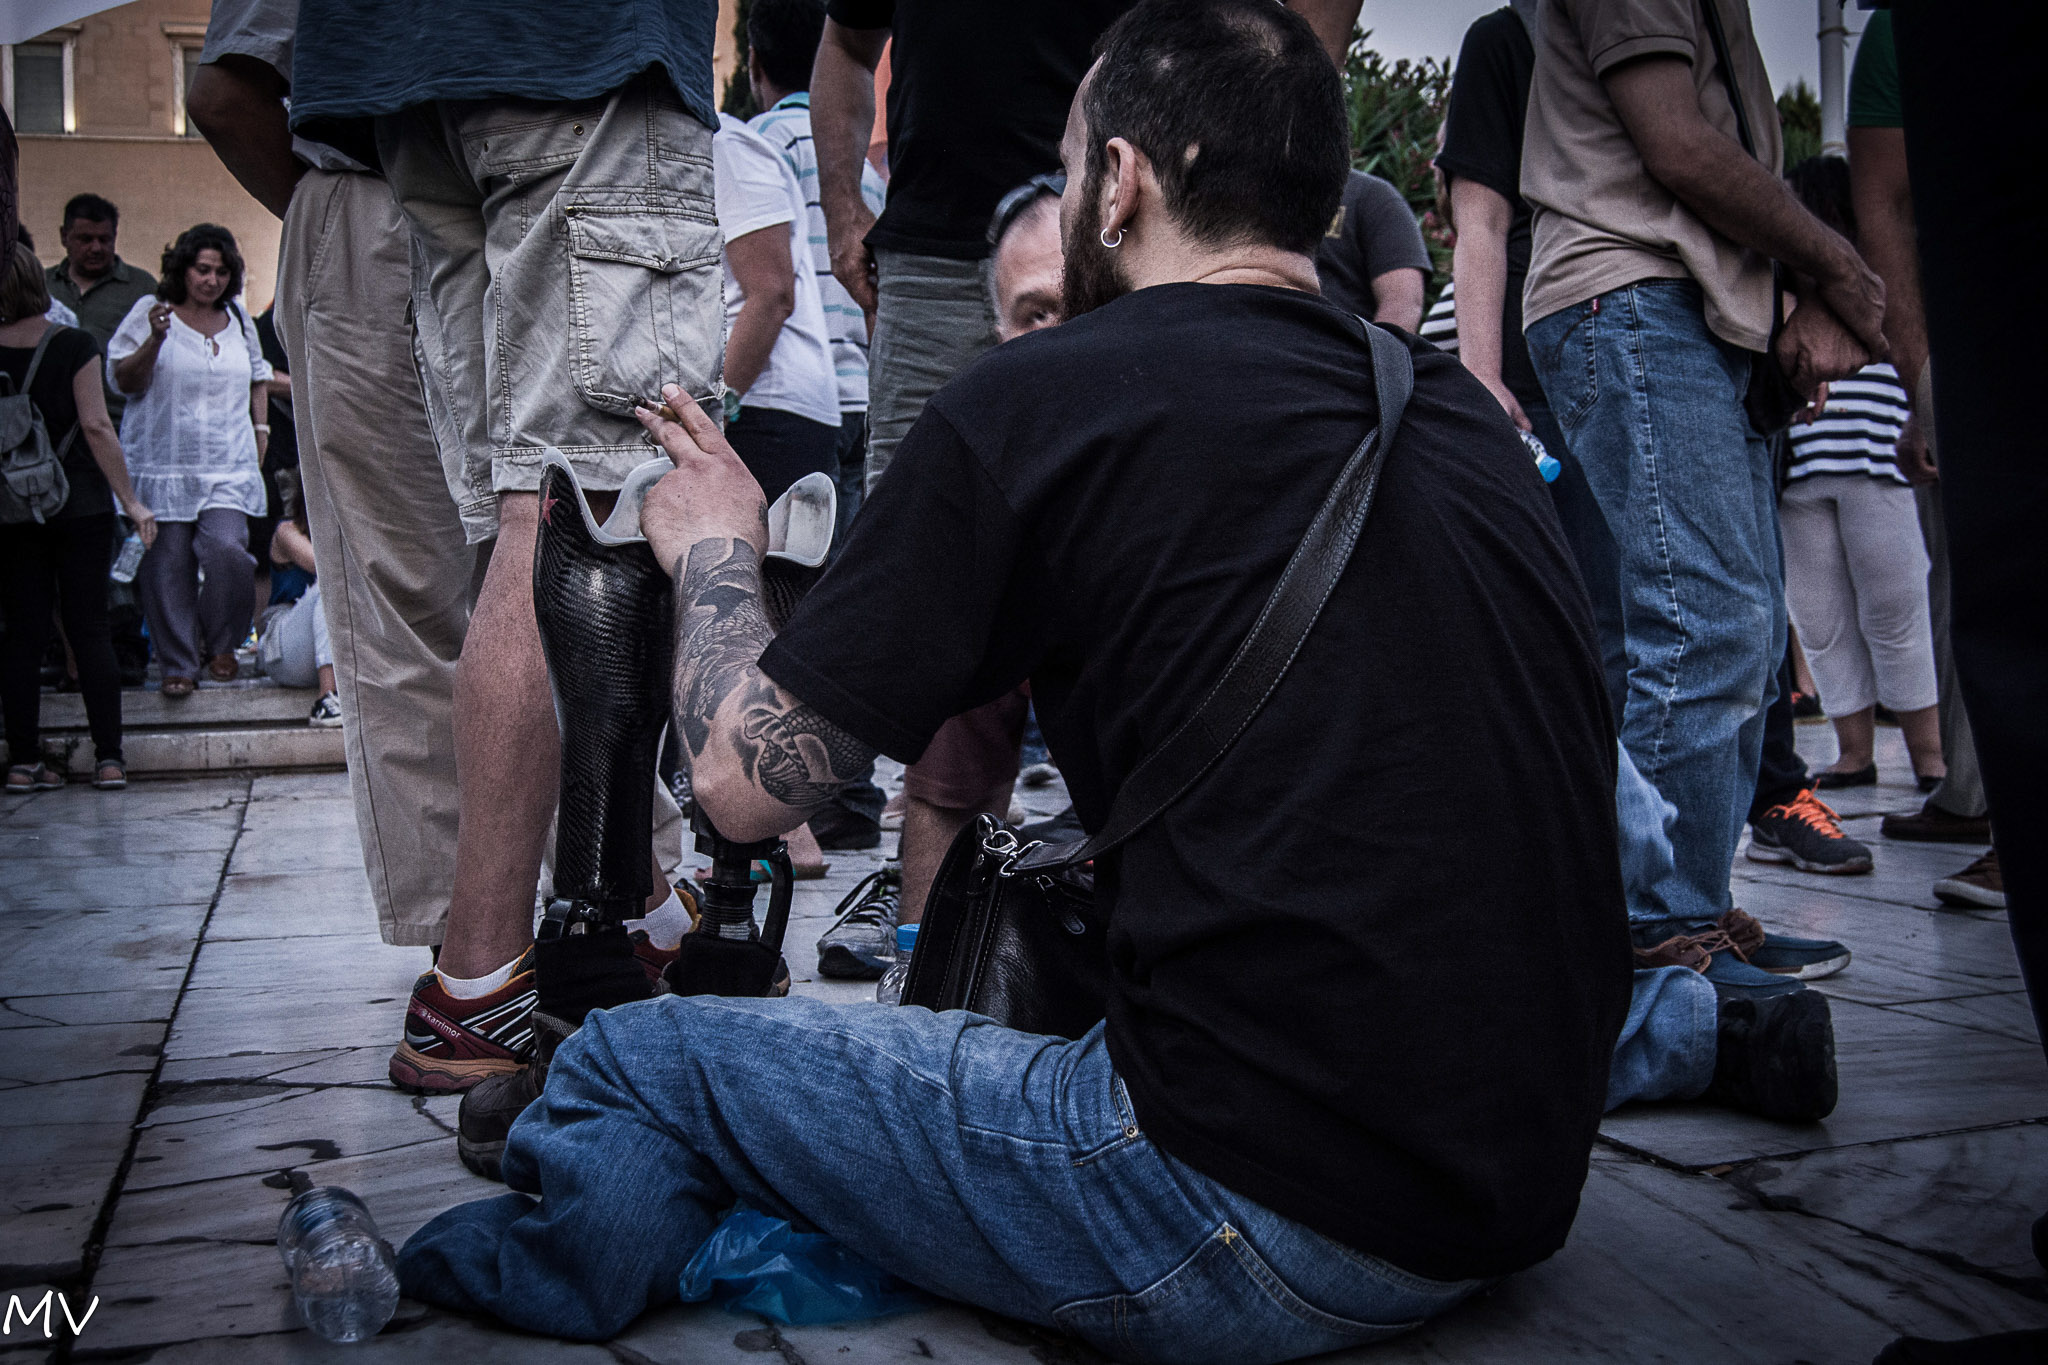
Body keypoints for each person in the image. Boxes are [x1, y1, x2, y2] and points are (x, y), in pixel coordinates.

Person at [398, 5, 1638, 1347]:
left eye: (1069, 160)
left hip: (1240, 1214)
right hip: (1516, 1194)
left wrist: (716, 550)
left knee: (630, 1059)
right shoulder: (1458, 416)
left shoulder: (1046, 398)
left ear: (1121, 184)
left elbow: (744, 789)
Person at [277, 0, 722, 1091]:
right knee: (578, 521)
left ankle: (575, 932)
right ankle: (493, 975)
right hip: (574, 55)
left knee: (519, 527)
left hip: (409, 84)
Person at [1520, 0, 1885, 956]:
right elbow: (1676, 144)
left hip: (1700, 305)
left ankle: (1690, 909)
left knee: (1746, 637)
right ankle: (1655, 936)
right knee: (1703, 623)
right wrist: (1839, 269)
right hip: (1634, 291)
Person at [187, 0, 486, 1019]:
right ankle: (584, 907)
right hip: (454, 200)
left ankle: (478, 940)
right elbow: (226, 92)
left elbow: (225, 92)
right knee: (546, 576)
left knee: (417, 601)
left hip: (397, 202)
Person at [816, 174, 1066, 979]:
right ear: (999, 332)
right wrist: (924, 979)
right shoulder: (982, 477)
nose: (1058, 339)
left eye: (1080, 308)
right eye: (1036, 315)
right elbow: (948, 791)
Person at [1845, 9, 2001, 913]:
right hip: (1978, 350)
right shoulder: (1903, 30)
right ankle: (1981, 802)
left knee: (1969, 590)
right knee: (1977, 588)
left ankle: (1982, 801)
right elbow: (1887, 195)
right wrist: (1924, 381)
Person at [744, 0, 891, 852]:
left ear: (756, 64)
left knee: (780, 606)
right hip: (861, 397)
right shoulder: (862, 174)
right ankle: (853, 795)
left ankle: (789, 802)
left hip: (790, 399)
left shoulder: (757, 144)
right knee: (849, 599)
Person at [1773, 156, 1942, 797]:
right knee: (1820, 620)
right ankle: (1853, 754)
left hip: (1875, 456)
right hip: (1798, 466)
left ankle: (1931, 757)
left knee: (1896, 609)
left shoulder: (1878, 277)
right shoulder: (1776, 279)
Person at [0, 242, 157, 793]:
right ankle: (109, 759)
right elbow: (96, 425)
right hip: (81, 503)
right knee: (90, 629)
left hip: (12, 510)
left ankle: (23, 762)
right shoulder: (73, 344)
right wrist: (131, 501)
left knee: (21, 633)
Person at [105, 224, 270, 699]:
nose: (212, 280)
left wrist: (261, 430)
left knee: (228, 552)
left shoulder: (238, 318)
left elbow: (257, 377)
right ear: (183, 269)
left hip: (227, 461)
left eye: (221, 271)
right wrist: (155, 340)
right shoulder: (151, 312)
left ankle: (222, 642)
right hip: (164, 460)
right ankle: (178, 663)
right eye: (203, 269)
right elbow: (124, 381)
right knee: (167, 565)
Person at [42, 195, 157, 426]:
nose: (96, 248)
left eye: (104, 239)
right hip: (50, 425)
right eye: (85, 239)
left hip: (117, 423)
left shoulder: (142, 289)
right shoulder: (42, 286)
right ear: (64, 236)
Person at [256, 471, 339, 727]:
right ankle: (326, 699)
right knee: (333, 585)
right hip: (284, 650)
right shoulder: (287, 531)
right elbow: (327, 568)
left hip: (337, 651)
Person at [1312, 169, 1430, 330]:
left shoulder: (1371, 196)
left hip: (1342, 340)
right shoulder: (1275, 195)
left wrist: (1380, 346)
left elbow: (1403, 303)